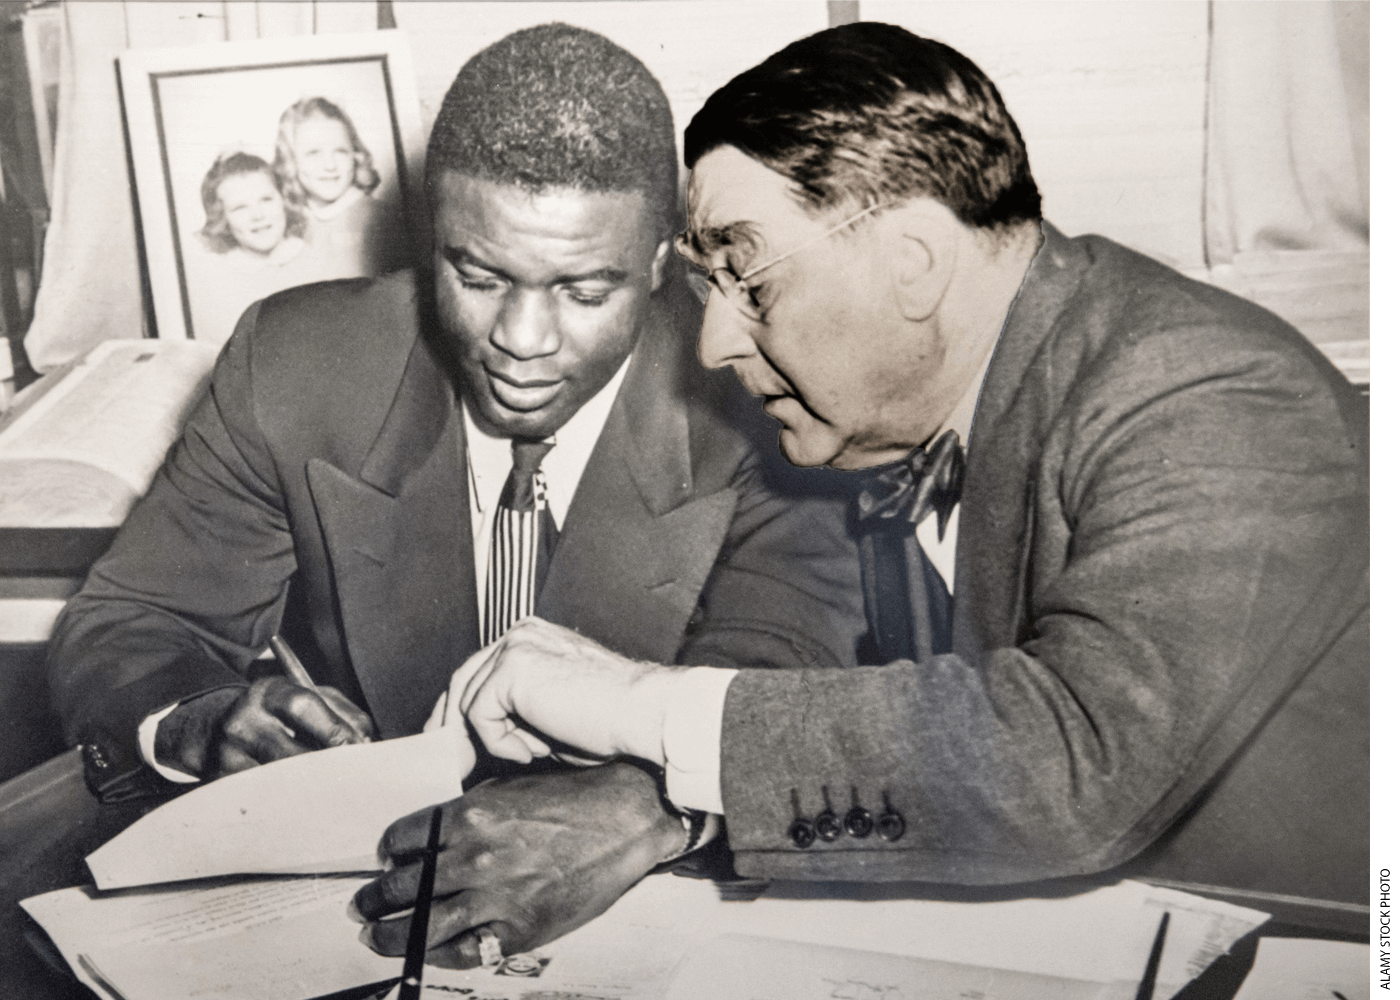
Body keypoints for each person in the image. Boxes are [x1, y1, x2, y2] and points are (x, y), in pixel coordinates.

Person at [424, 18, 1369, 928]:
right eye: (708, 288)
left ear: (914, 262)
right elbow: (838, 701)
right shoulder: (882, 422)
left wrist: (636, 705)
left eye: (750, 279)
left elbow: (1078, 758)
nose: (712, 342)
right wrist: (657, 800)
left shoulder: (1206, 392)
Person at [47, 23, 863, 966]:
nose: (521, 338)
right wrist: (193, 719)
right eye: (477, 275)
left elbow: (785, 661)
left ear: (658, 264)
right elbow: (133, 616)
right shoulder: (295, 364)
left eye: (585, 290)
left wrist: (650, 803)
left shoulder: (765, 398)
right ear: (429, 240)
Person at [186, 150, 324, 342]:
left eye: (266, 200)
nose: (258, 215)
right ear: (222, 218)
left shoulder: (318, 262)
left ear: (283, 200)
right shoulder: (217, 284)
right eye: (240, 208)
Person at [272, 96, 411, 275]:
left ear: (355, 155)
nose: (330, 165)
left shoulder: (382, 221)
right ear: (290, 161)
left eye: (340, 151)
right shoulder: (289, 223)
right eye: (313, 153)